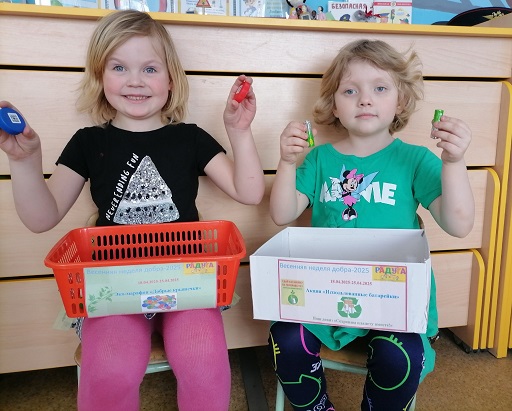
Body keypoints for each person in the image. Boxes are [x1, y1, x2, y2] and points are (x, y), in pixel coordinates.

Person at [0, 10, 264, 411]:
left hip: (186, 282)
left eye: (150, 68)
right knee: (109, 369)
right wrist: (23, 162)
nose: (135, 80)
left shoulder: (190, 138)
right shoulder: (88, 142)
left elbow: (249, 191)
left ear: (171, 79)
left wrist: (239, 131)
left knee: (204, 363)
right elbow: (42, 218)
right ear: (100, 76)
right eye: (119, 67)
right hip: (114, 285)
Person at [268, 39, 474, 410]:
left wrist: (454, 162)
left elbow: (459, 225)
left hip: (391, 300)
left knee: (401, 358)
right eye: (350, 91)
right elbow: (282, 213)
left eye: (380, 89)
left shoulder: (415, 160)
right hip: (326, 296)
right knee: (285, 339)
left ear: (401, 101)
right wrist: (286, 163)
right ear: (334, 105)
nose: (365, 100)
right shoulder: (319, 159)